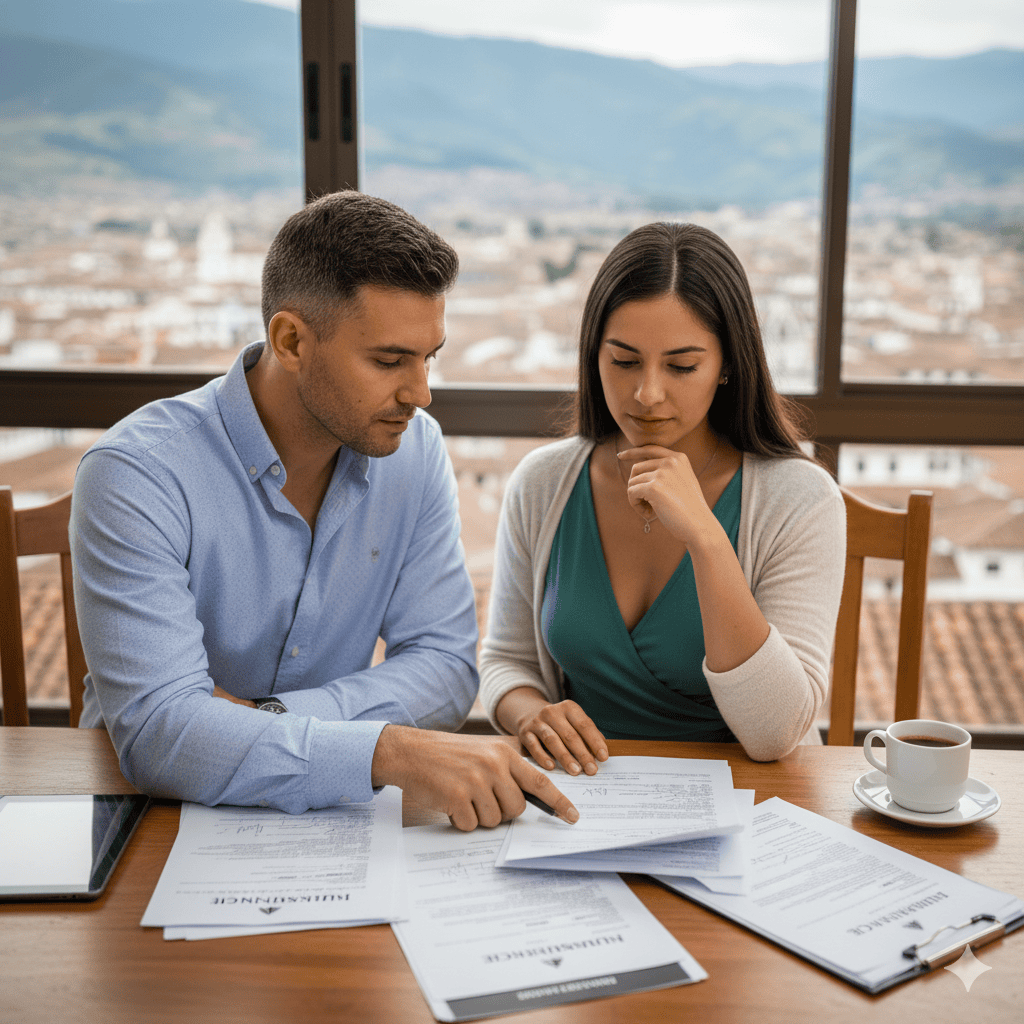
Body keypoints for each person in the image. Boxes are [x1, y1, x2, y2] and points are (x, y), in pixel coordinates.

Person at [70, 190, 576, 831]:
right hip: (151, 818)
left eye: (429, 358)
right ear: (290, 340)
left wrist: (264, 720)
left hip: (330, 822)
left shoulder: (414, 450)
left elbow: (446, 668)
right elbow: (162, 735)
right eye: (389, 360)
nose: (420, 393)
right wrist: (380, 748)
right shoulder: (136, 474)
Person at [479, 222, 846, 774]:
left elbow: (775, 734)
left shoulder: (801, 498)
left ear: (727, 366)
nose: (647, 394)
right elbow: (506, 661)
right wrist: (531, 714)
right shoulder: (542, 482)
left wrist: (705, 536)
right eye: (624, 362)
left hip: (756, 804)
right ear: (592, 355)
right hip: (585, 795)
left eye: (681, 366)